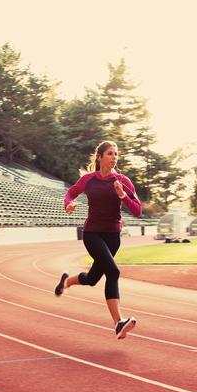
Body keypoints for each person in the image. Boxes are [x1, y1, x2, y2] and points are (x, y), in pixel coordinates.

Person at [54, 141, 142, 340]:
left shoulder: (123, 180)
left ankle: (67, 281)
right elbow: (71, 193)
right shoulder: (89, 180)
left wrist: (122, 196)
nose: (114, 157)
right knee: (113, 271)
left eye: (116, 154)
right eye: (110, 153)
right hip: (92, 233)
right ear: (100, 157)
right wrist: (68, 204)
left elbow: (137, 210)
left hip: (113, 237)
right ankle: (118, 322)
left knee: (93, 279)